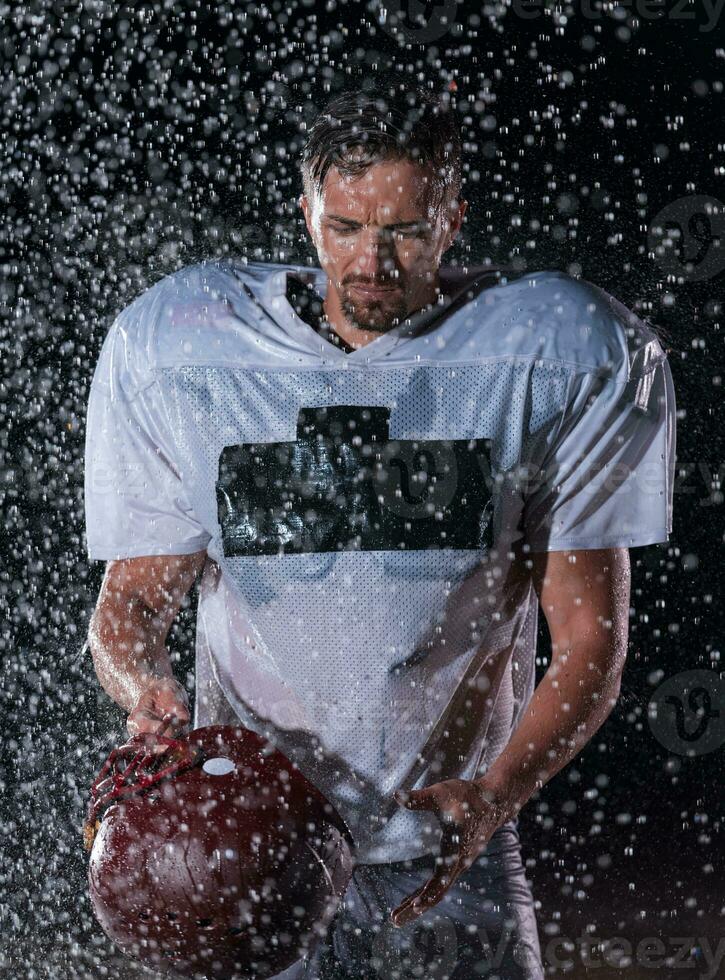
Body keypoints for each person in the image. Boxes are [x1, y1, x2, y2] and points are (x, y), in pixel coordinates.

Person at [84, 83, 676, 979]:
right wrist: (147, 692)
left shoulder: (550, 354)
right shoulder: (190, 350)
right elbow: (129, 603)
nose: (372, 261)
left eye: (404, 229)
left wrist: (490, 798)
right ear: (307, 210)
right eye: (347, 226)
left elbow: (592, 638)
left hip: (443, 838)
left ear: (452, 219)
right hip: (244, 837)